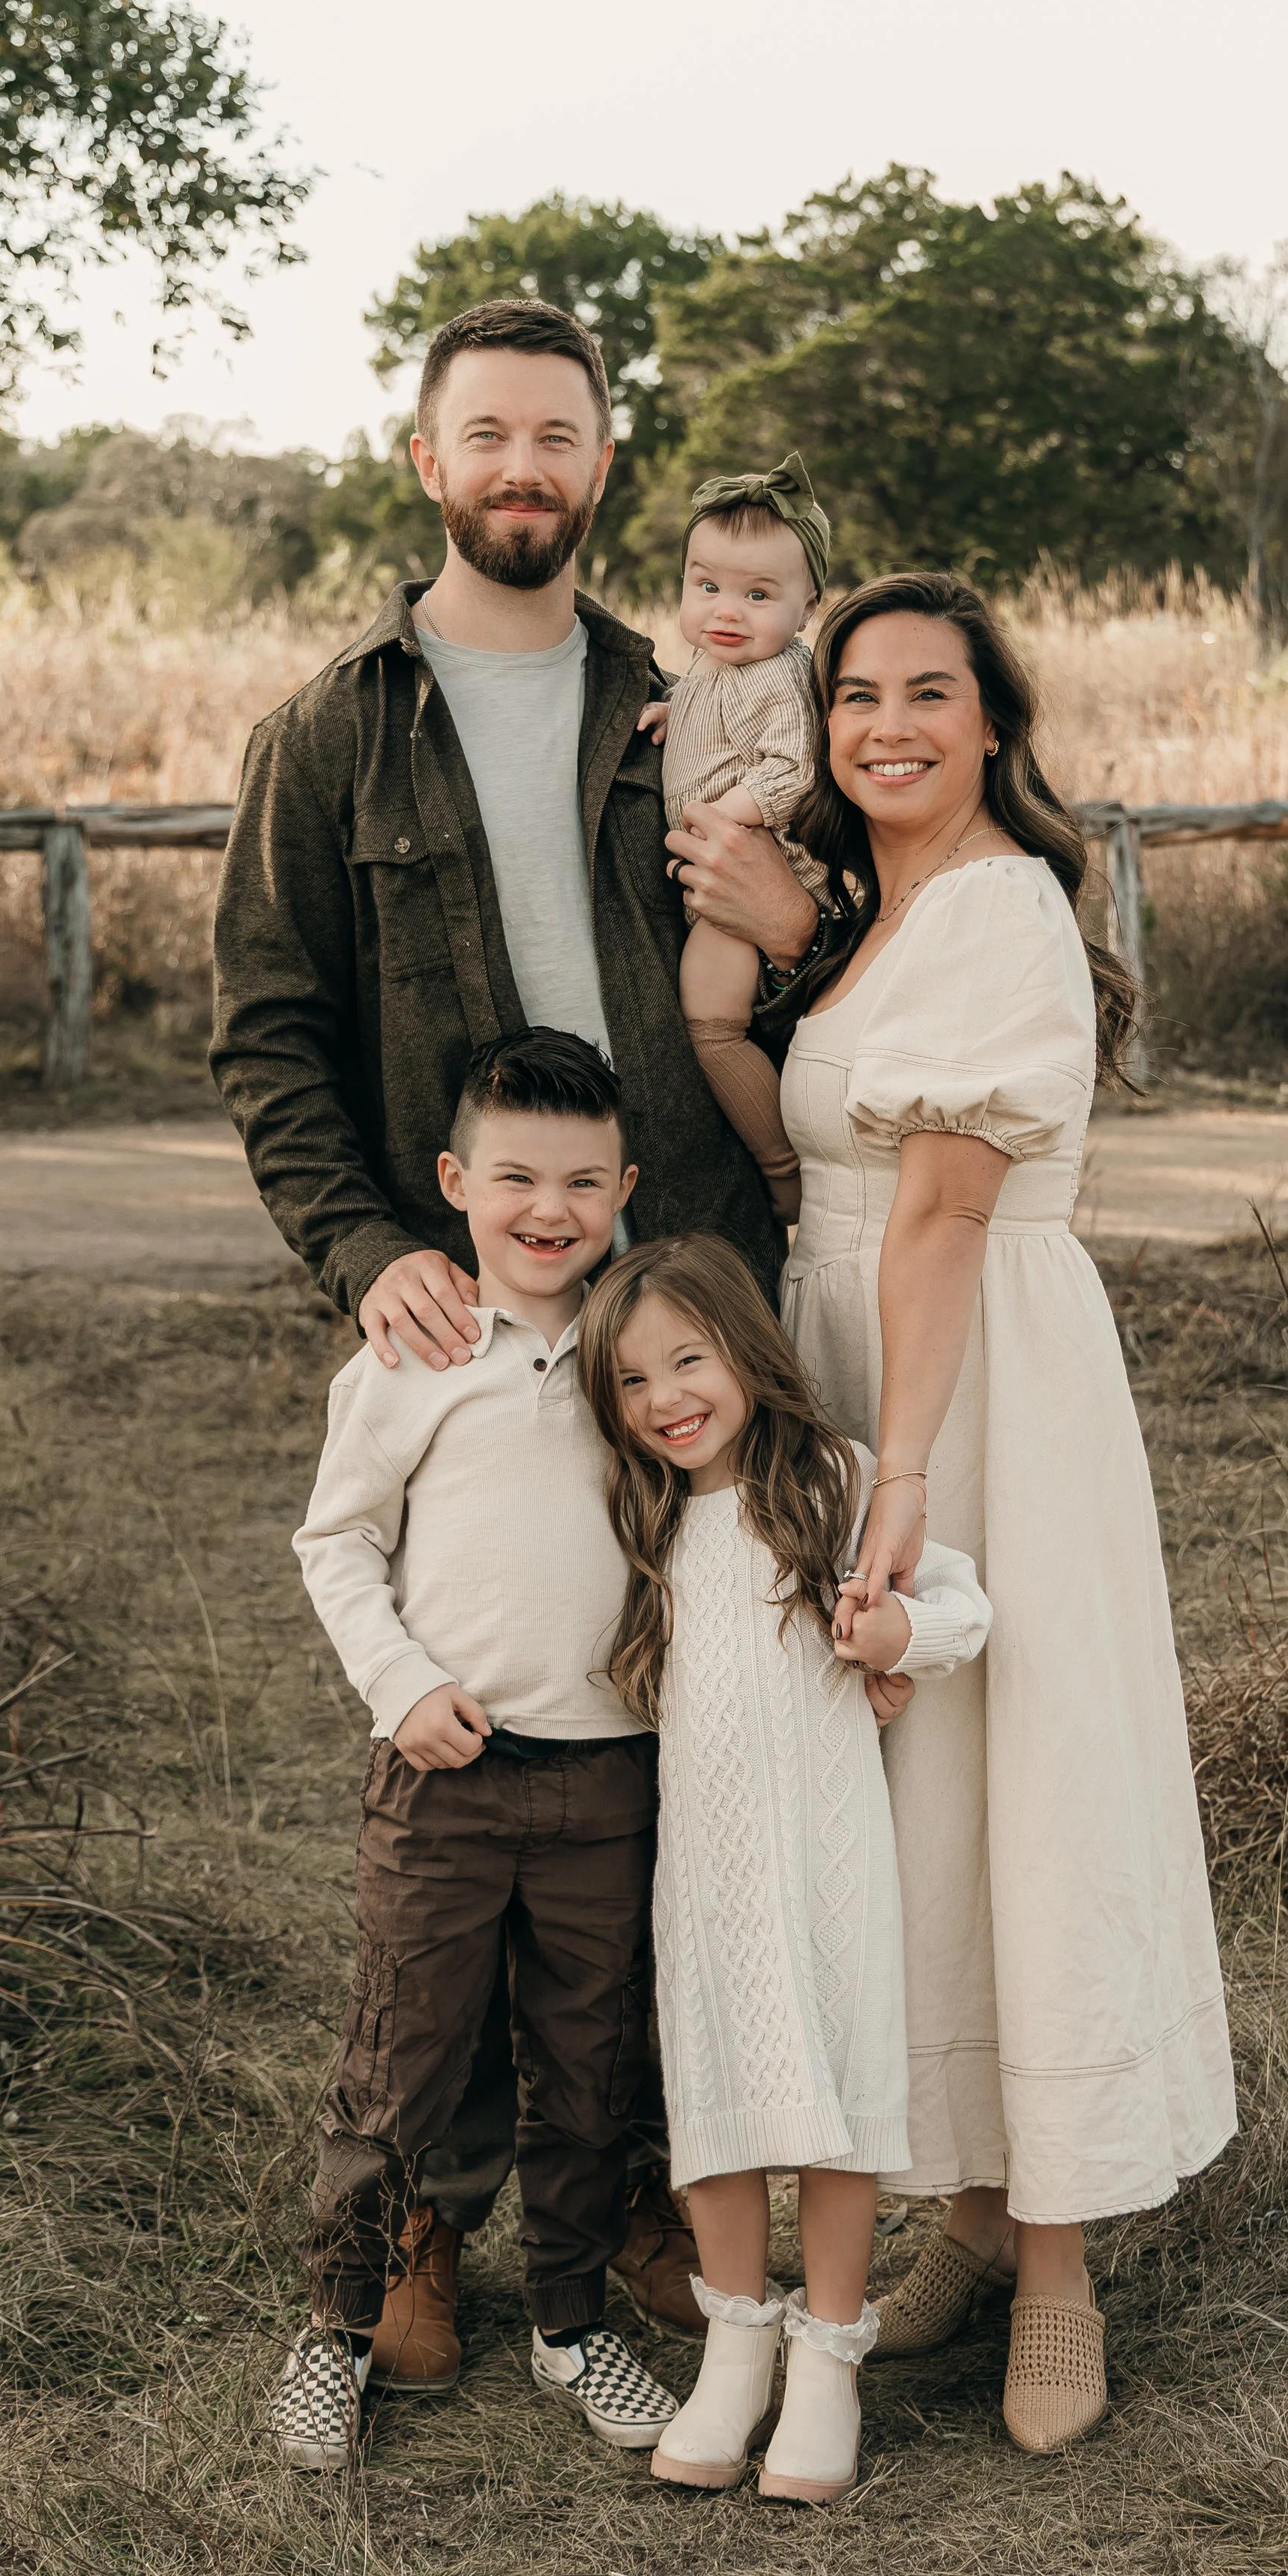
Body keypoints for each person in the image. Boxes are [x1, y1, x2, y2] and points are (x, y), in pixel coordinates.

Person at [211, 296, 824, 2362]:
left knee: (665, 1752)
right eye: (487, 433)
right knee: (457, 1761)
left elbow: (822, 946)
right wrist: (360, 1239)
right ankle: (423, 2210)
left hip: (681, 1305)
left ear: (598, 465)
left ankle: (645, 2188)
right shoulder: (332, 730)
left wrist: (802, 913)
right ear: (427, 460)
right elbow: (266, 1027)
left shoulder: (693, 698)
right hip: (473, 1301)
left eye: (557, 435)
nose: (523, 466)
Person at [773, 572, 1238, 2455]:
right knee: (914, 1811)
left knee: (1020, 1779)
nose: (887, 721)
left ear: (993, 724)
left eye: (928, 693)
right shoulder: (873, 920)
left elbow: (946, 1204)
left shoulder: (997, 904)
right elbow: (811, 1150)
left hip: (979, 1398)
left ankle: (1057, 2258)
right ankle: (964, 2208)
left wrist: (902, 1473)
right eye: (855, 693)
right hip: (858, 1360)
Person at [269, 1030, 681, 2473]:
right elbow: (336, 1543)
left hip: (607, 1775)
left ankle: (571, 2316)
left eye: (581, 1180)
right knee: (402, 2056)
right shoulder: (411, 1356)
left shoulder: (641, 1357)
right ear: (455, 1183)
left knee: (588, 2057)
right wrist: (400, 1685)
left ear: (625, 1185)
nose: (547, 1209)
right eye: (514, 1177)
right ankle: (338, 2324)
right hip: (445, 1771)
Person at [577, 1236, 991, 2503]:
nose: (666, 1400)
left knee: (831, 2100)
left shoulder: (837, 1481)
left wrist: (894, 1634)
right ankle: (738, 2344)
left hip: (827, 1865)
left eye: (689, 1361)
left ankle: (828, 2357)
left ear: (749, 1353)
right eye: (634, 1383)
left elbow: (968, 1612)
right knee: (717, 2100)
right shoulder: (640, 1518)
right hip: (703, 1870)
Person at [644, 454, 831, 1224]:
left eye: (758, 595)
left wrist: (731, 819)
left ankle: (782, 1169)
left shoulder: (782, 675)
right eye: (706, 586)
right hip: (722, 869)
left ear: (806, 608)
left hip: (761, 866)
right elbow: (713, 705)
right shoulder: (720, 660)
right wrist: (673, 705)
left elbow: (793, 770)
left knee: (710, 1027)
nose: (726, 610)